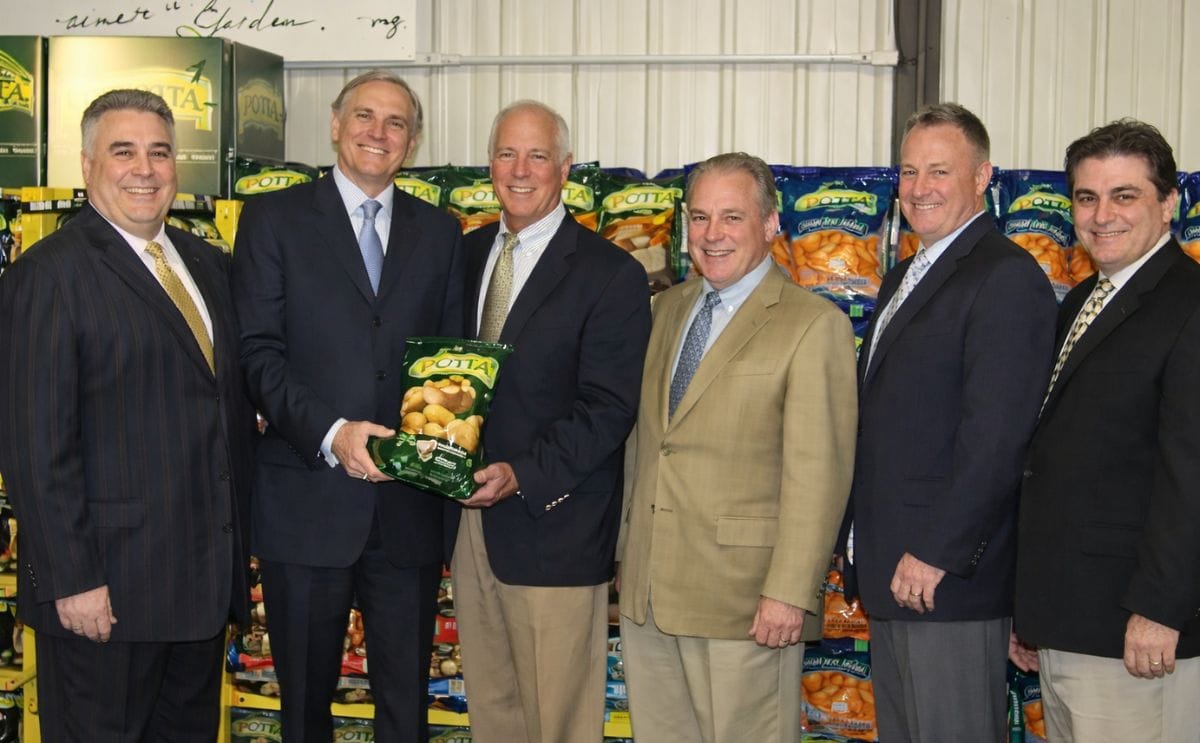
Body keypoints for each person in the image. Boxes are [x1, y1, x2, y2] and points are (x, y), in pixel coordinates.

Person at [0, 89, 256, 742]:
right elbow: (34, 445)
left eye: (160, 152)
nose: (145, 168)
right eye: (123, 151)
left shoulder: (208, 265)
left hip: (199, 594)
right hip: (104, 598)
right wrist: (73, 579)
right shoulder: (47, 275)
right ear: (88, 164)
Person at [231, 71, 465, 742]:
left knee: (404, 709)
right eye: (364, 116)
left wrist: (429, 450)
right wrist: (333, 433)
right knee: (304, 709)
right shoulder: (273, 220)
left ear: (412, 143)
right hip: (306, 504)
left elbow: (450, 363)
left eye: (396, 123)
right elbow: (257, 354)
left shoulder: (440, 232)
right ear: (335, 125)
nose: (378, 133)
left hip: (406, 509)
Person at [618, 152, 858, 743]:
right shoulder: (665, 310)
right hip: (650, 594)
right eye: (700, 218)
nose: (712, 234)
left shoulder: (813, 324)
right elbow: (648, 444)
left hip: (746, 603)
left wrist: (789, 593)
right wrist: (625, 556)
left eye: (732, 217)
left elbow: (819, 476)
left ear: (771, 224)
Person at [839, 103, 1056, 742]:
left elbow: (998, 438)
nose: (919, 188)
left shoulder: (1006, 277)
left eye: (940, 171)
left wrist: (937, 551)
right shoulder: (903, 277)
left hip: (944, 580)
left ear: (982, 176)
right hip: (895, 574)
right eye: (909, 171)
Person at [445, 100, 650, 743]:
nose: (520, 170)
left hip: (554, 524)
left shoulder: (610, 273)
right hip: (466, 526)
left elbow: (608, 408)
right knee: (492, 712)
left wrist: (522, 474)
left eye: (537, 156)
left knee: (557, 722)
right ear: (489, 166)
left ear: (565, 168)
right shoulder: (462, 256)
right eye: (507, 154)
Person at [1011, 119, 1200, 743]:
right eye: (1087, 197)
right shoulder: (1082, 300)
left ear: (1168, 203)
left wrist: (1160, 610)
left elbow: (1192, 475)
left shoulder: (1191, 305)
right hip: (1070, 622)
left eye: (1125, 195)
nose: (1102, 215)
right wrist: (1035, 609)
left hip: (1137, 633)